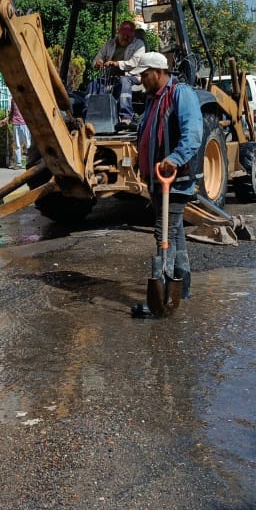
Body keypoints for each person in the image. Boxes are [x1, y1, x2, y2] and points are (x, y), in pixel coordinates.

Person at [128, 52, 203, 318]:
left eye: (144, 75)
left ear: (158, 72)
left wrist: (174, 158)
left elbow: (193, 133)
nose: (141, 80)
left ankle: (161, 301)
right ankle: (181, 290)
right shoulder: (153, 99)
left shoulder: (180, 94)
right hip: (158, 181)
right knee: (176, 235)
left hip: (174, 180)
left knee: (164, 236)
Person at [92, 21, 147, 125]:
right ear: (119, 33)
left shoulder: (139, 45)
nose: (126, 38)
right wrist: (97, 63)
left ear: (133, 35)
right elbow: (96, 59)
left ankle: (126, 117)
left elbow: (134, 63)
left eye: (129, 36)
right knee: (94, 83)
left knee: (124, 81)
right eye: (124, 35)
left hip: (132, 76)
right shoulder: (109, 44)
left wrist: (116, 63)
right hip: (111, 78)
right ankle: (89, 114)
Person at [0, 99, 31, 168]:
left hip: (25, 124)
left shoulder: (25, 97)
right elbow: (12, 112)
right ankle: (19, 163)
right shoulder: (13, 99)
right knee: (17, 144)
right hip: (16, 124)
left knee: (28, 144)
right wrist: (5, 120)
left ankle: (30, 162)